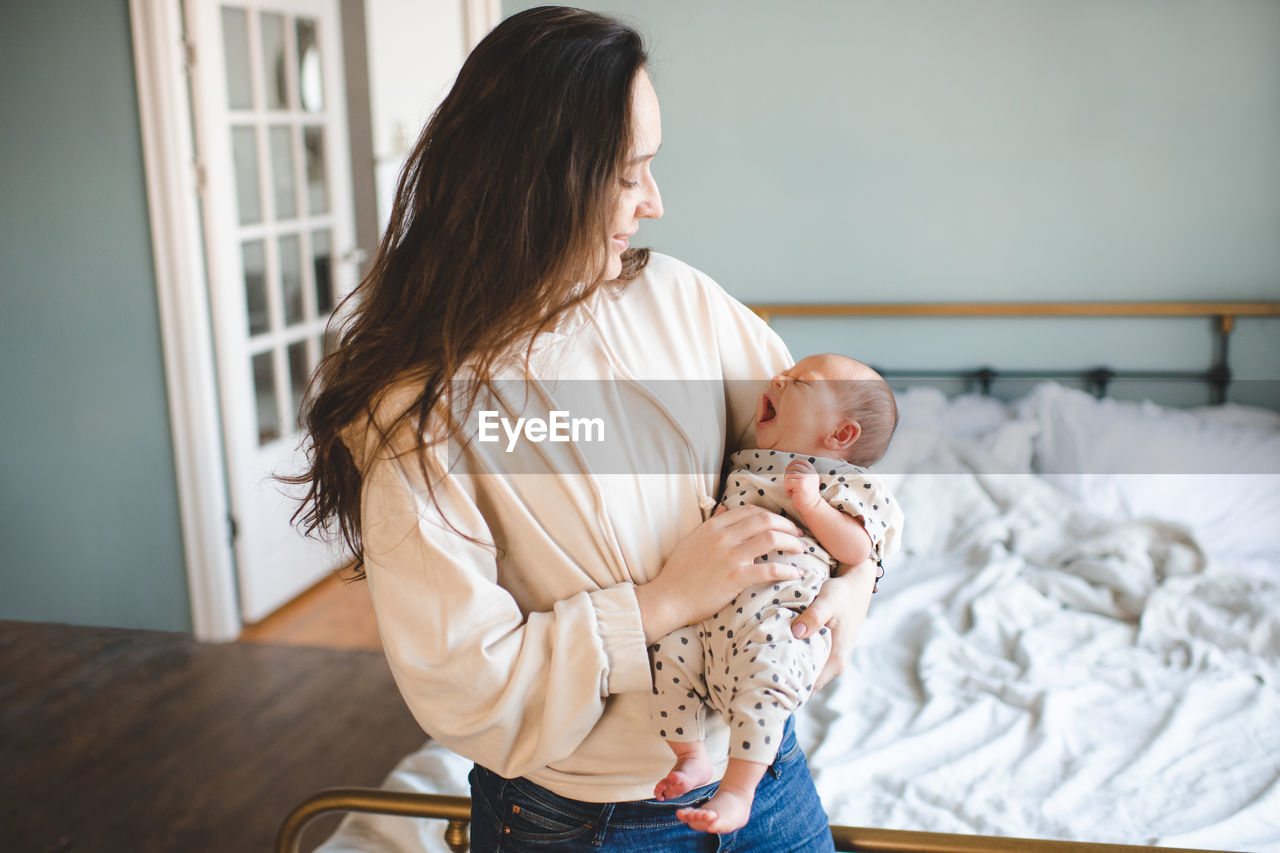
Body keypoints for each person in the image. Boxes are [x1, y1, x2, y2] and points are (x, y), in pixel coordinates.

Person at [291, 7, 881, 850]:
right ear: (543, 180)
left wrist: (856, 581)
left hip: (767, 776)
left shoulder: (682, 303)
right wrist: (660, 601)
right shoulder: (418, 414)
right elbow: (465, 683)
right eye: (631, 172)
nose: (656, 202)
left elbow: (837, 468)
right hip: (586, 822)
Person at [649, 353, 904, 834]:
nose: (778, 378)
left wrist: (810, 503)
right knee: (671, 649)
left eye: (799, 381)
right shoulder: (748, 459)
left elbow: (858, 550)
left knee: (770, 679)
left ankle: (739, 791)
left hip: (782, 616)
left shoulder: (842, 479)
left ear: (841, 435)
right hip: (715, 613)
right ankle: (691, 756)